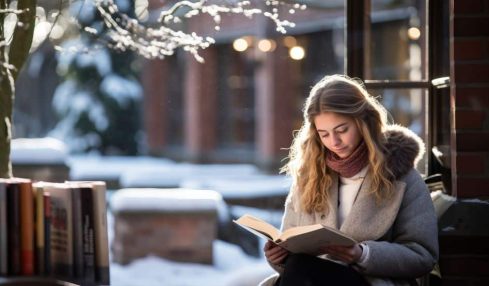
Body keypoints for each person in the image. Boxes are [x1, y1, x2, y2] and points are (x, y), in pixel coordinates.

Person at [260, 75, 439, 286]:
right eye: (324, 134)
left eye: (341, 130)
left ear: (363, 122)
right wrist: (279, 257)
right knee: (299, 264)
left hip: (369, 281)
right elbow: (291, 245)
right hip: (308, 277)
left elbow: (422, 255)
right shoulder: (309, 177)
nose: (334, 142)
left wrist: (362, 254)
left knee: (301, 267)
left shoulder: (402, 176)